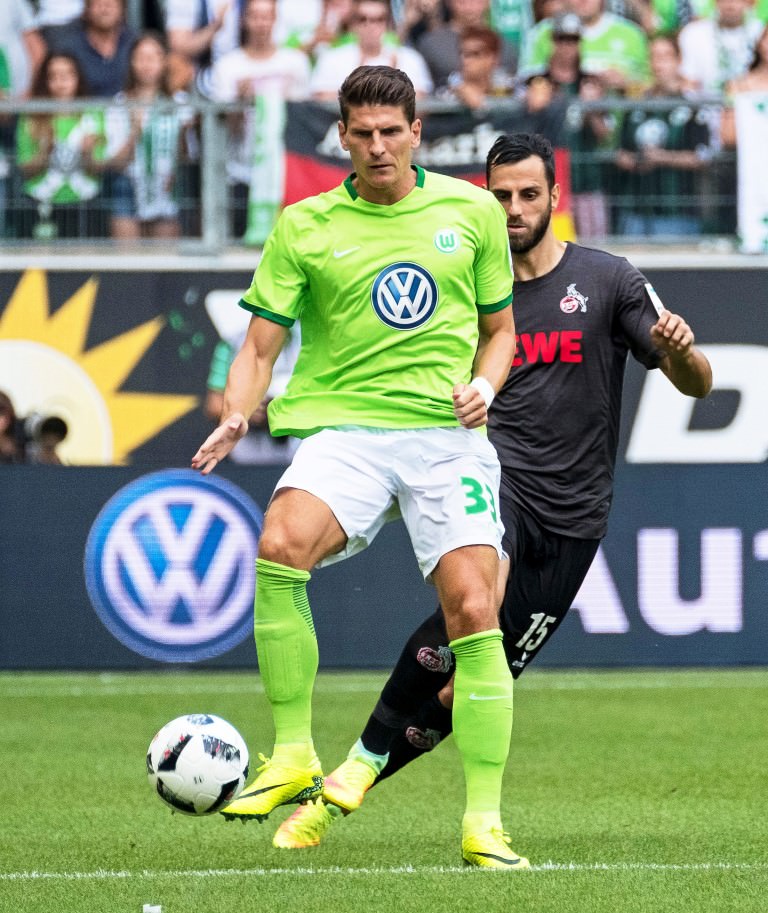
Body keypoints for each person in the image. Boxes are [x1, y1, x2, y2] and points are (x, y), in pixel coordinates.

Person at [271, 131, 712, 854]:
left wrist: (681, 350)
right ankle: (372, 783)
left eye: (528, 194)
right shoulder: (464, 282)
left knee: (462, 690)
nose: (513, 208)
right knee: (473, 613)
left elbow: (696, 384)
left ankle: (356, 771)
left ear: (554, 197)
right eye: (500, 195)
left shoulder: (610, 280)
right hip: (491, 478)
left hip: (575, 516)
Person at [192, 64, 522, 869]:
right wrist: (238, 409)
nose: (378, 146)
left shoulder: (472, 211)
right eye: (363, 133)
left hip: (445, 437)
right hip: (348, 431)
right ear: (341, 135)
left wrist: (484, 386)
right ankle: (293, 753)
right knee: (279, 543)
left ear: (417, 133)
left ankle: (483, 822)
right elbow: (258, 347)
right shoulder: (304, 225)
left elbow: (500, 332)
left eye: (391, 132)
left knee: (475, 610)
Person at [209, 0, 311, 239]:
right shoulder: (228, 66)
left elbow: (305, 119)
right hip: (242, 171)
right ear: (244, 20)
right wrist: (239, 102)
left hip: (286, 170)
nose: (261, 23)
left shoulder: (295, 62)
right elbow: (224, 128)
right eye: (255, 16)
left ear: (275, 20)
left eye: (266, 16)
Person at [613, 34, 711, 238]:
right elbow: (620, 151)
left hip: (677, 212)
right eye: (654, 57)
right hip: (636, 210)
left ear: (678, 61)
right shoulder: (636, 105)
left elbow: (702, 156)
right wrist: (633, 161)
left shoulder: (693, 106)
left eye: (666, 57)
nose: (659, 64)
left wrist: (663, 158)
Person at [105, 32, 194, 240]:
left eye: (153, 57)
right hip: (128, 185)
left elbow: (188, 157)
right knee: (128, 258)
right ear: (131, 62)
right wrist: (135, 132)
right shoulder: (119, 103)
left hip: (168, 186)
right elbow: (114, 162)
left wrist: (184, 132)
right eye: (141, 58)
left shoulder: (180, 102)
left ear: (164, 62)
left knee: (164, 257)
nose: (147, 64)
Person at [15, 52, 108, 239]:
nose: (61, 82)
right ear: (45, 81)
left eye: (67, 75)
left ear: (78, 78)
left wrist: (88, 154)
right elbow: (25, 169)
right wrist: (44, 151)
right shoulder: (32, 115)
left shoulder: (93, 114)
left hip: (84, 201)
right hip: (41, 201)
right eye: (53, 76)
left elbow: (99, 169)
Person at [310, 0, 434, 99]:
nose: (370, 26)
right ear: (353, 23)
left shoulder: (410, 58)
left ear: (388, 24)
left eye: (379, 19)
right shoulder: (332, 58)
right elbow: (322, 100)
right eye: (363, 19)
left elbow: (420, 105)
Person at [45, 0, 138, 98]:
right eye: (98, 4)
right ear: (87, 8)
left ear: (122, 9)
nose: (105, 10)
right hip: (80, 106)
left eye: (111, 4)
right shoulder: (68, 47)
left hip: (130, 106)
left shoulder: (135, 44)